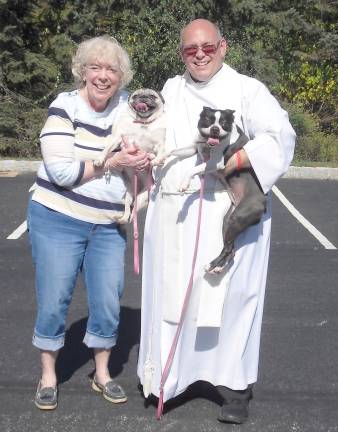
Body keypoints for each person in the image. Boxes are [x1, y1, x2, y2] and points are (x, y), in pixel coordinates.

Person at [137, 19, 296, 424]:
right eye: (191, 49)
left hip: (227, 212)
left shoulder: (248, 90)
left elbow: (280, 137)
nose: (201, 54)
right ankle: (170, 380)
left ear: (223, 46)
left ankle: (233, 387)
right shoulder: (171, 90)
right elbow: (150, 130)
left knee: (232, 299)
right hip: (175, 214)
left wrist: (233, 159)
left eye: (208, 46)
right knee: (173, 295)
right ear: (181, 54)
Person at [27, 35, 150, 410]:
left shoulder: (131, 109)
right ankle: (48, 375)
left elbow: (152, 140)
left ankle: (103, 373)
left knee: (108, 301)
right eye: (94, 67)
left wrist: (146, 158)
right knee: (53, 300)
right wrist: (109, 164)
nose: (102, 76)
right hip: (57, 218)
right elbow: (61, 171)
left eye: (111, 69)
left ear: (121, 76)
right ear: (82, 71)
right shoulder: (64, 107)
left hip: (109, 222)